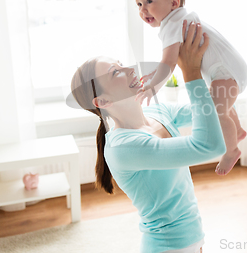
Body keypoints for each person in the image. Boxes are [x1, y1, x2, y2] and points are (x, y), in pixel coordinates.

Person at [70, 21, 225, 253]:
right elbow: (209, 146)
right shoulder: (123, 148)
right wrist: (190, 72)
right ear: (102, 102)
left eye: (121, 64)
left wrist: (214, 62)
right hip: (167, 245)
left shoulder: (159, 112)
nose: (130, 69)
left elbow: (213, 105)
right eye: (115, 72)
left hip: (193, 235)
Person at [134, 0, 247, 176]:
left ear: (174, 2)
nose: (143, 10)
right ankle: (238, 130)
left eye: (149, 1)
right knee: (221, 104)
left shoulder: (172, 25)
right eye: (139, 4)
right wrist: (155, 75)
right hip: (231, 70)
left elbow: (168, 64)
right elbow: (166, 63)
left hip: (225, 74)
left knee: (215, 112)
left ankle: (231, 151)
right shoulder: (180, 19)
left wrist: (153, 87)